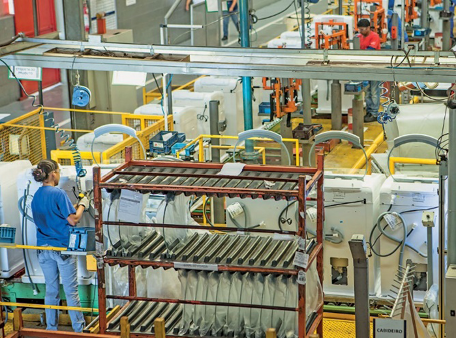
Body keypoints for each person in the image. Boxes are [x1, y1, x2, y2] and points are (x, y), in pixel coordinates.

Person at [31, 159, 89, 332]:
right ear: (54, 173)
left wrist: (74, 206)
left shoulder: (37, 195)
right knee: (71, 292)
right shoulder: (58, 193)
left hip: (43, 249)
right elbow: (73, 220)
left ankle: (51, 329)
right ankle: (79, 330)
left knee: (51, 290)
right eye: (59, 172)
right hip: (61, 249)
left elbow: (55, 213)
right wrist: (83, 204)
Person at [357, 19, 381, 122]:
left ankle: (374, 113)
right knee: (367, 91)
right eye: (359, 30)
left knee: (374, 91)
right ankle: (369, 111)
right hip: (365, 67)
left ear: (368, 28)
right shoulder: (359, 37)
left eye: (362, 29)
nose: (360, 31)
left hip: (375, 67)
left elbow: (370, 51)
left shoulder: (374, 36)